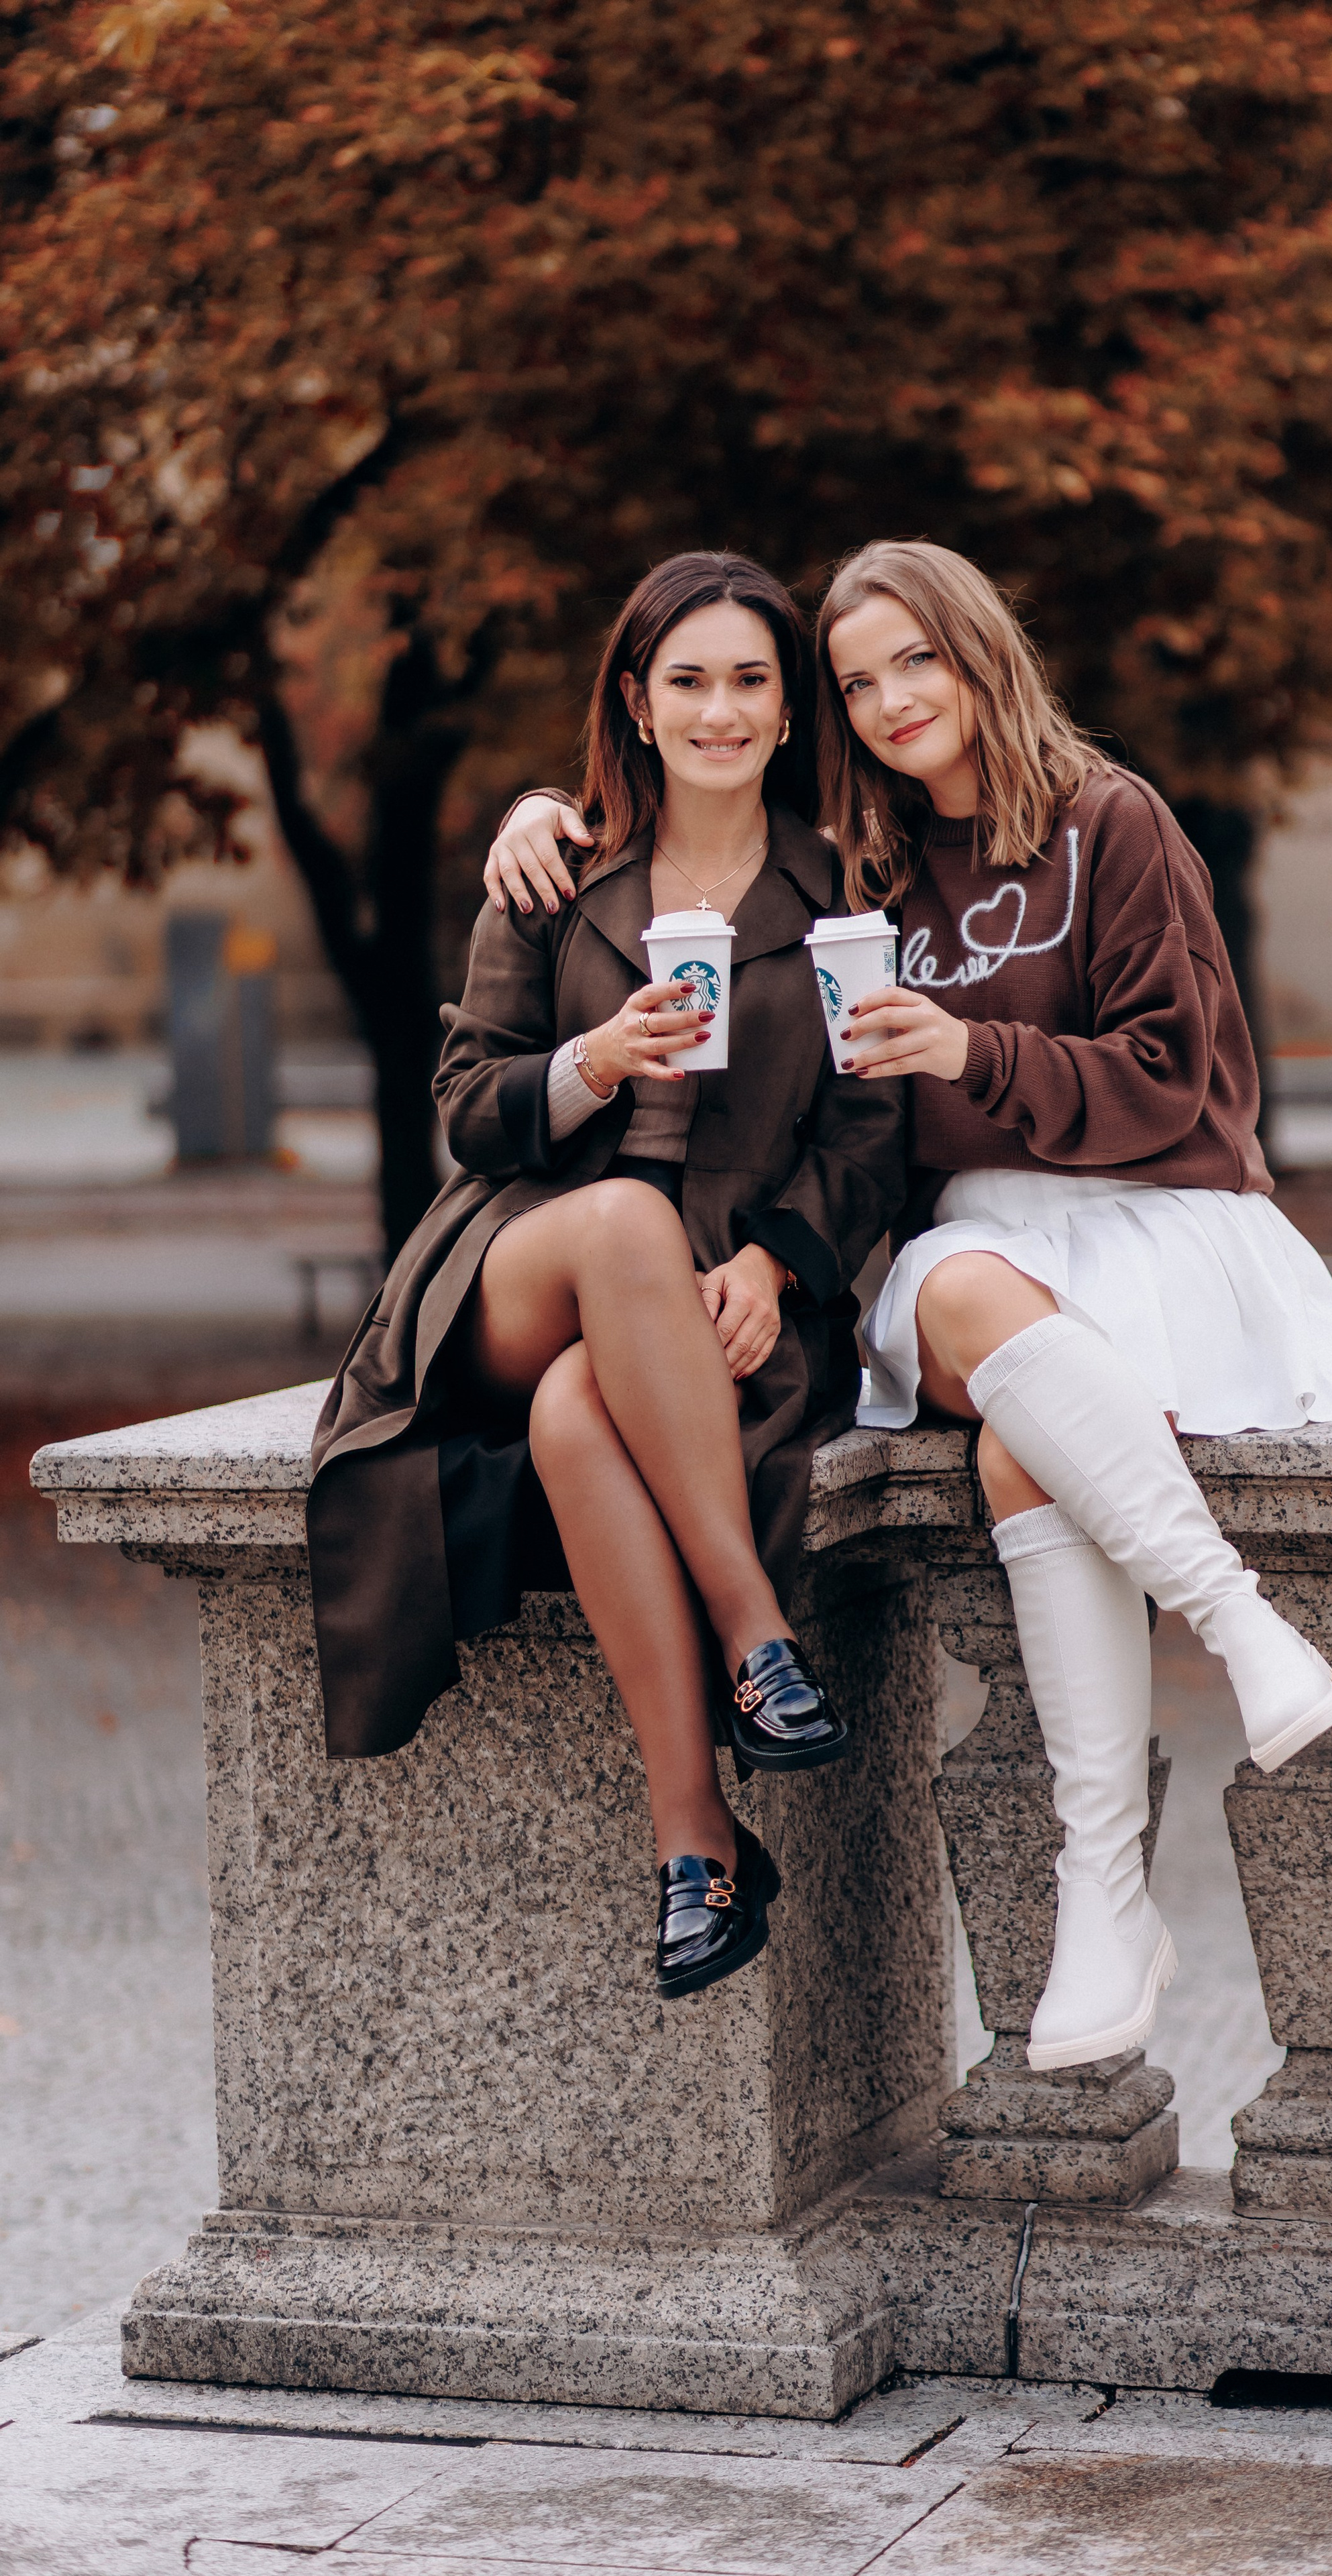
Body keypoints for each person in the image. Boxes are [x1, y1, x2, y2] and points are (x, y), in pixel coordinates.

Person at [486, 537, 1332, 2078]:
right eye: (858, 681)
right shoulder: (872, 871)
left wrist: (973, 1058)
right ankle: (1236, 1635)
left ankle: (1107, 1887)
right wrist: (541, 812)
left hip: (1157, 1215)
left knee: (1013, 1454)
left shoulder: (1109, 824)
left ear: (979, 651)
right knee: (968, 1293)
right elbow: (704, 854)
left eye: (914, 658)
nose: (893, 698)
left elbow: (1191, 1084)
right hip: (980, 1247)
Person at [310, 552, 905, 2004]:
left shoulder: (840, 888)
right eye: (687, 681)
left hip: (716, 1297)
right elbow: (462, 1103)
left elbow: (872, 1124)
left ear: (787, 710)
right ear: (636, 704)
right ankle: (756, 1637)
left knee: (586, 1416)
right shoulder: (553, 871)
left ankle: (695, 1845)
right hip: (523, 1255)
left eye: (749, 682)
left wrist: (780, 1262)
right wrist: (592, 1063)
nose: (719, 710)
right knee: (623, 1234)